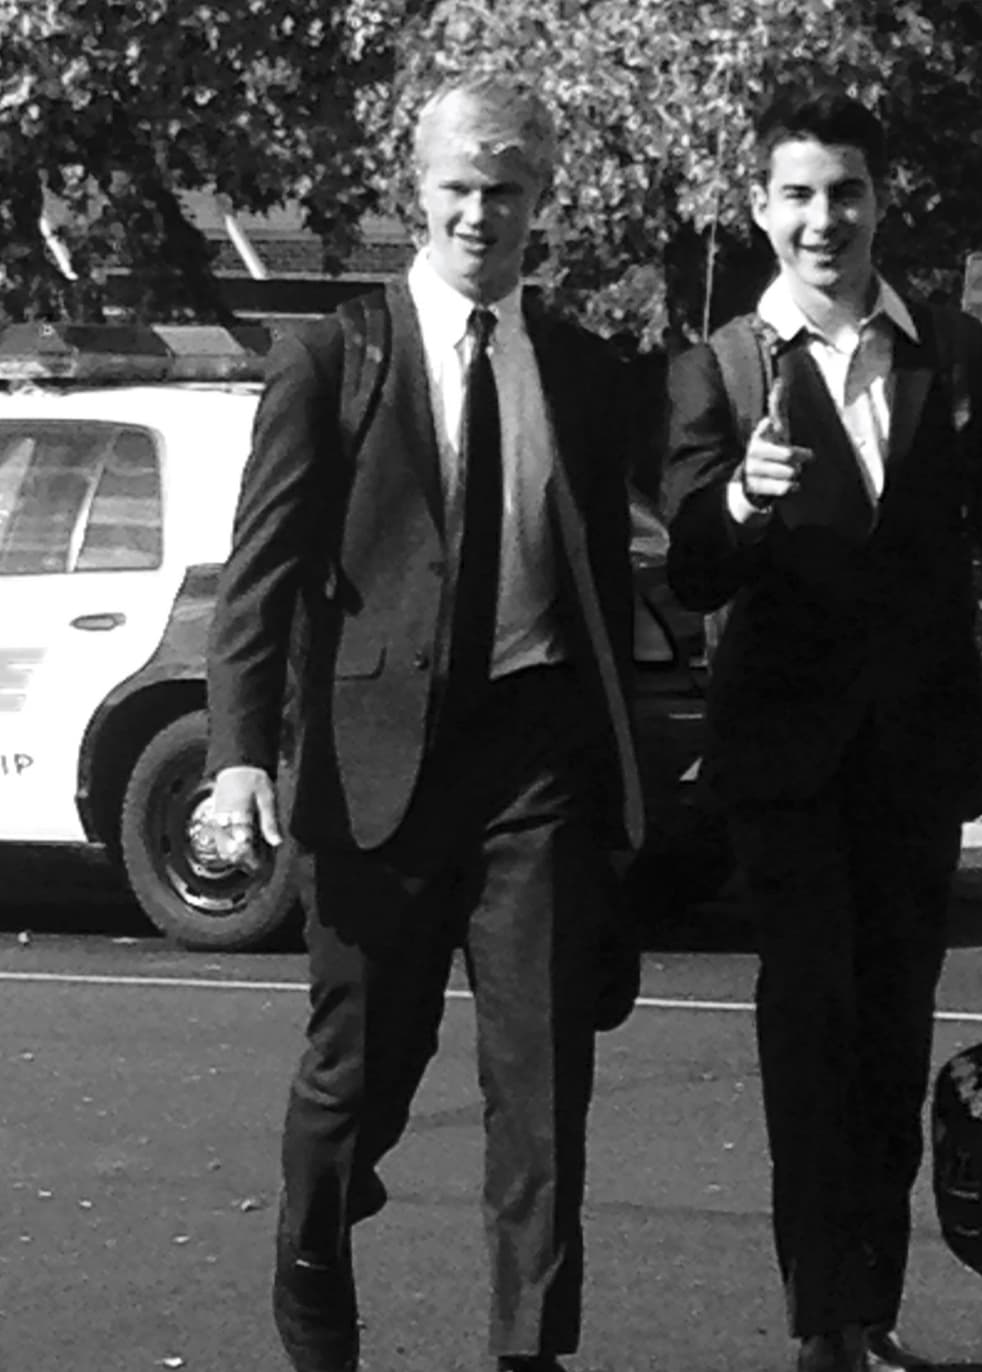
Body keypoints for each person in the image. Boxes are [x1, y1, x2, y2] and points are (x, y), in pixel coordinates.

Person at [205, 73, 644, 1372]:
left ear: (539, 204)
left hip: (531, 767)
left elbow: (612, 579)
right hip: (375, 763)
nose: (478, 211)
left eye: (505, 189)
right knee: (358, 1076)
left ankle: (526, 1351)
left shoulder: (580, 370)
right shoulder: (334, 356)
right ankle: (311, 1251)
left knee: (541, 1085)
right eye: (457, 185)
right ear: (418, 192)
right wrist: (238, 759)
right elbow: (261, 575)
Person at [661, 87, 982, 1372]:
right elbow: (686, 568)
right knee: (808, 1030)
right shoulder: (721, 367)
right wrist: (743, 495)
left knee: (893, 1032)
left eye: (842, 191)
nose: (822, 218)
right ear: (759, 210)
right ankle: (820, 1322)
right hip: (785, 765)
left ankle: (870, 1307)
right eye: (795, 194)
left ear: (875, 201)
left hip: (913, 759)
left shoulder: (948, 353)